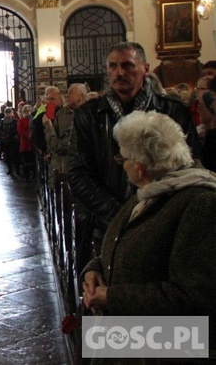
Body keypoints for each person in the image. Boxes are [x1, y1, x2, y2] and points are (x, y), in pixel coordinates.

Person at [82, 111, 216, 344]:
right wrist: (95, 269)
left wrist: (112, 297)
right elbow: (124, 240)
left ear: (139, 166)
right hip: (131, 339)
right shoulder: (153, 191)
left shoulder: (200, 203)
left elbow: (195, 297)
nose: (122, 166)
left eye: (122, 159)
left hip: (165, 348)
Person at [68, 42, 200, 266]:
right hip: (106, 223)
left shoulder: (172, 111)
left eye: (128, 65)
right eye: (113, 66)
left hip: (164, 224)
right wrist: (120, 215)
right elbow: (79, 173)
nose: (119, 72)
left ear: (145, 68)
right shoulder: (88, 116)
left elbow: (189, 168)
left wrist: (154, 216)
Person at [42, 83, 87, 186]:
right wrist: (48, 151)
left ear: (60, 99)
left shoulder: (84, 114)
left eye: (52, 99)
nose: (49, 102)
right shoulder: (53, 110)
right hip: (57, 159)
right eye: (48, 98)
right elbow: (44, 128)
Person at [0, 107, 19, 175]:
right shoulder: (2, 121)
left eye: (10, 113)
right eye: (7, 113)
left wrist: (12, 135)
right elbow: (0, 129)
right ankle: (10, 169)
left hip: (13, 140)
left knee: (16, 155)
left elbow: (16, 130)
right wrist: (4, 135)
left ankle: (17, 170)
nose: (8, 114)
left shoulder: (15, 121)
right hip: (6, 141)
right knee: (8, 155)